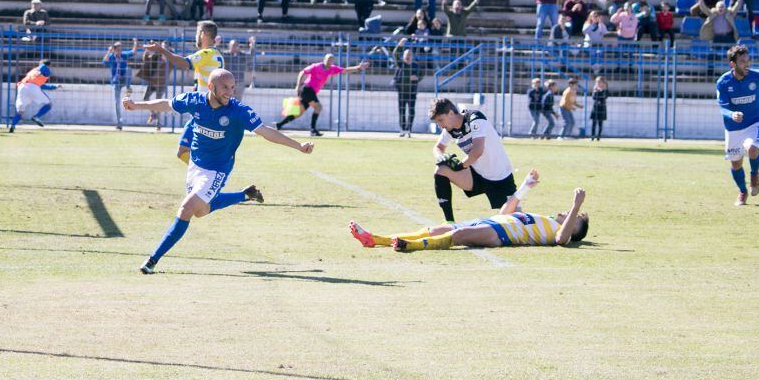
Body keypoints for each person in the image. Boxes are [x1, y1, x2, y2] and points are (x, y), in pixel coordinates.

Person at [122, 69, 314, 274]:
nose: (229, 92)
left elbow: (266, 132)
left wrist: (298, 146)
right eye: (224, 87)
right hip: (196, 165)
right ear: (211, 87)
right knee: (201, 211)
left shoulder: (238, 111)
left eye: (232, 87)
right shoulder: (194, 101)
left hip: (217, 170)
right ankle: (245, 195)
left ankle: (152, 261)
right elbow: (167, 104)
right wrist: (136, 106)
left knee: (186, 209)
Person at [348, 170, 590, 251]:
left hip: (499, 235)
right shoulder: (544, 219)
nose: (569, 213)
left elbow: (562, 240)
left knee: (457, 236)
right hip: (494, 222)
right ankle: (374, 240)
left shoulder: (558, 231)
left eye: (575, 218)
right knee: (436, 229)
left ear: (575, 228)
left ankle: (407, 246)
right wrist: (524, 187)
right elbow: (506, 210)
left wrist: (576, 205)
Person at [143, 21, 223, 163]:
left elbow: (184, 63)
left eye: (198, 33)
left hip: (206, 110)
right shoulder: (217, 55)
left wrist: (162, 50)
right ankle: (206, 175)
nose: (196, 36)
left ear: (203, 35)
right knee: (184, 151)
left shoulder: (206, 53)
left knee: (187, 152)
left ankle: (207, 175)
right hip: (205, 108)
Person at [716, 44, 759, 206]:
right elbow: (722, 107)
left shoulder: (756, 75)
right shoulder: (723, 82)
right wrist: (732, 114)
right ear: (733, 64)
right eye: (742, 61)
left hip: (756, 121)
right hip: (733, 127)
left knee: (752, 150)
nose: (747, 64)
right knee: (736, 163)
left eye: (748, 60)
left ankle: (754, 174)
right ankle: (742, 191)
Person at [429, 97, 516, 223]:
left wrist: (460, 166)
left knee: (514, 221)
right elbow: (438, 147)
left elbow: (477, 152)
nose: (440, 125)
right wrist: (440, 157)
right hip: (477, 175)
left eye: (440, 120)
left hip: (500, 177)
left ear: (451, 113)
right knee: (441, 170)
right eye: (437, 122)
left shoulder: (475, 118)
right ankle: (450, 222)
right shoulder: (450, 129)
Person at [275, 54, 368, 136]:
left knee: (299, 113)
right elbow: (303, 72)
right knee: (318, 107)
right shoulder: (316, 66)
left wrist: (358, 68)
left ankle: (279, 125)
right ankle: (313, 130)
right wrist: (298, 86)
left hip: (311, 92)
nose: (329, 61)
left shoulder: (332, 68)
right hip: (307, 89)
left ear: (332, 61)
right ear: (324, 59)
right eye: (328, 59)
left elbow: (344, 70)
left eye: (331, 60)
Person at [8, 59, 60, 132]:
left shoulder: (32, 71)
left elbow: (41, 85)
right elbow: (42, 67)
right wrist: (41, 69)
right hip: (32, 87)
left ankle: (12, 126)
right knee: (49, 104)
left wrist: (54, 87)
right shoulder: (44, 68)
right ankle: (36, 117)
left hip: (22, 87)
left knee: (20, 111)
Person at [103, 39, 138, 130]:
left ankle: (128, 88)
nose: (119, 51)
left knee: (128, 69)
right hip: (116, 81)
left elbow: (133, 52)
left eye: (120, 49)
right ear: (114, 50)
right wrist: (108, 51)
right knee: (117, 103)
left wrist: (135, 43)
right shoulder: (111, 56)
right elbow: (104, 61)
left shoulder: (123, 55)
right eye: (118, 49)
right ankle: (119, 122)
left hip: (124, 79)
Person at [392, 37, 422, 137]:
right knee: (402, 111)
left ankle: (409, 129)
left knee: (411, 111)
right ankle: (402, 129)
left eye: (409, 55)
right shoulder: (401, 64)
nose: (408, 56)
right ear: (404, 56)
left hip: (412, 92)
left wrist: (417, 77)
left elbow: (421, 74)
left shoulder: (415, 65)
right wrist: (400, 45)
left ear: (412, 56)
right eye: (406, 55)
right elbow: (395, 55)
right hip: (401, 91)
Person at [133, 48, 168, 130]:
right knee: (145, 98)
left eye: (164, 47)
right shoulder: (156, 55)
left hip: (161, 83)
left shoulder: (168, 56)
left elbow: (169, 62)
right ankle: (154, 114)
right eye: (161, 46)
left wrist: (165, 55)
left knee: (158, 102)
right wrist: (147, 50)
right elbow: (145, 59)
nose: (162, 48)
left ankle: (158, 124)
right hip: (152, 82)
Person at [222, 37, 255, 101]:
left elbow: (251, 55)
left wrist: (252, 45)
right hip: (227, 83)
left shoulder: (242, 55)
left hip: (239, 82)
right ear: (229, 46)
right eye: (232, 45)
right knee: (226, 101)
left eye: (236, 45)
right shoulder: (225, 55)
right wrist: (216, 44)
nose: (234, 47)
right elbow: (217, 53)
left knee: (238, 102)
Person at [589, 76, 608, 141]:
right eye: (597, 82)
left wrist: (603, 90)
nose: (598, 83)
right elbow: (594, 97)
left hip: (602, 108)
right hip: (595, 108)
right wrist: (595, 91)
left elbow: (605, 97)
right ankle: (592, 137)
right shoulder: (595, 90)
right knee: (594, 123)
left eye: (599, 82)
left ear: (603, 82)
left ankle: (598, 137)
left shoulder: (605, 90)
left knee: (600, 123)